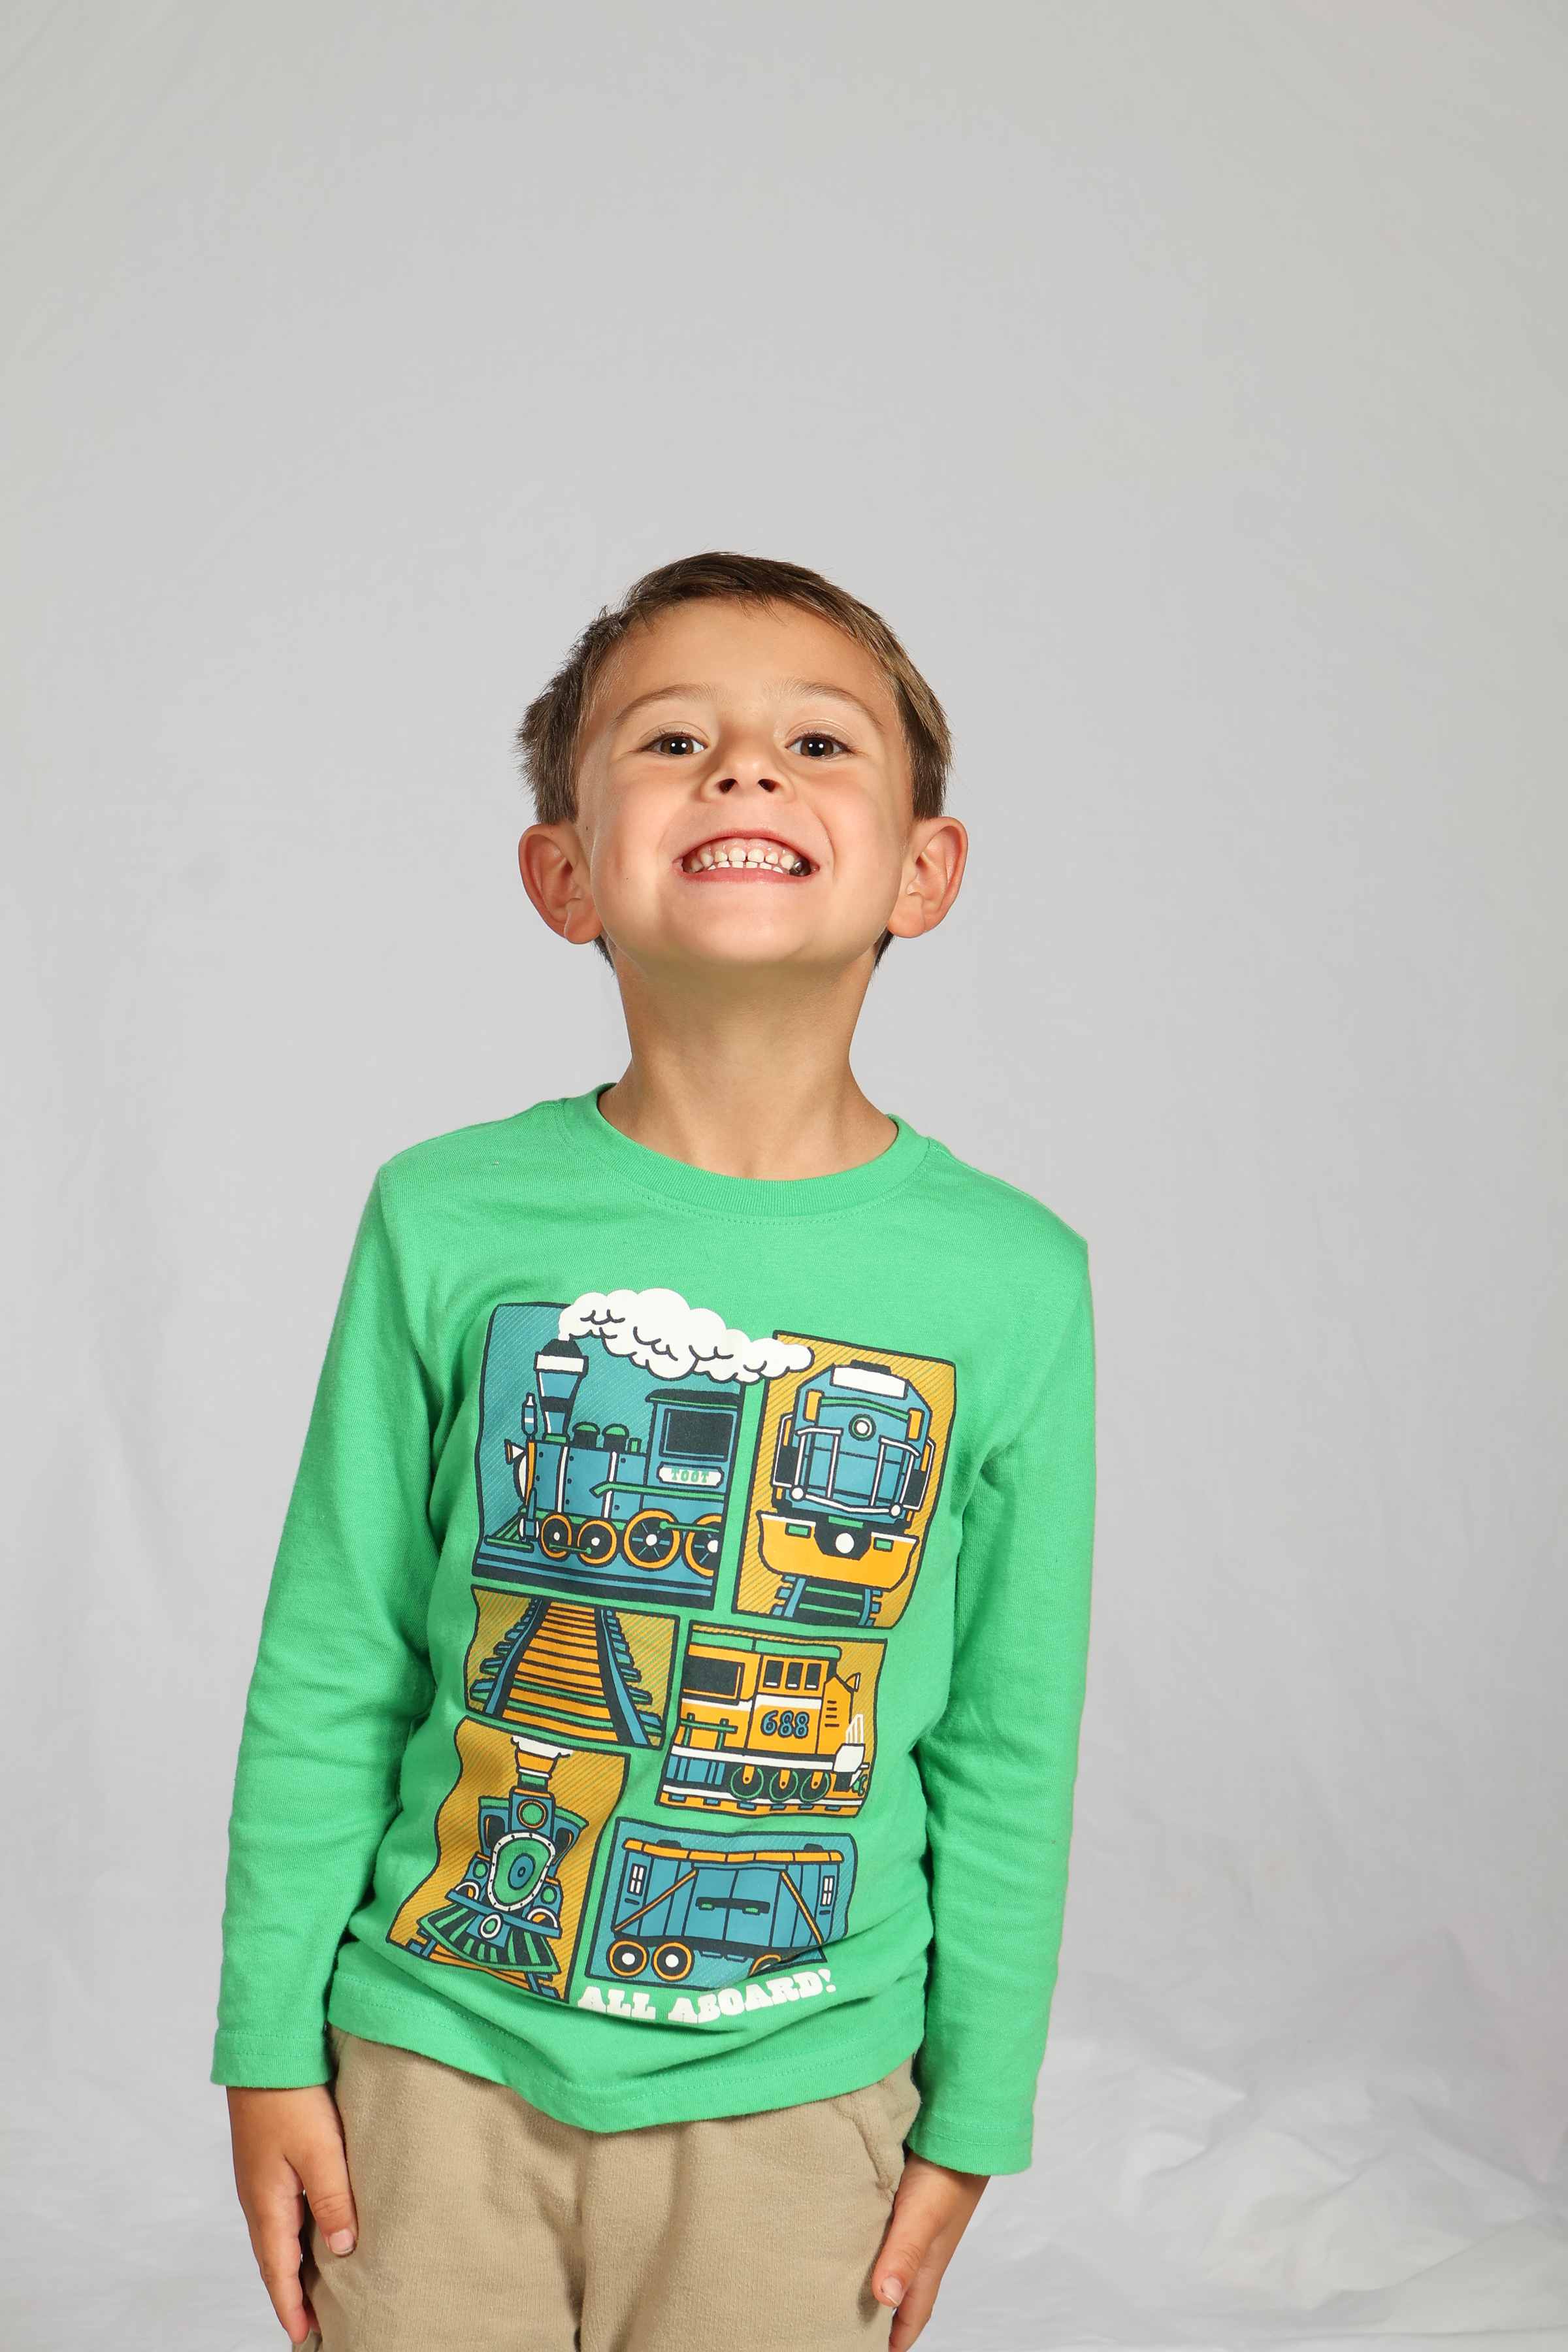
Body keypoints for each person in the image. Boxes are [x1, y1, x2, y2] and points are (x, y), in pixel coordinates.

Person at [217, 551, 1096, 2351]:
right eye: (675, 740)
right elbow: (335, 1655)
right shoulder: (446, 1215)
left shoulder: (1016, 1278)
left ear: (924, 871)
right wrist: (266, 2046)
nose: (745, 769)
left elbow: (1012, 1739)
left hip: (803, 2094)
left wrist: (978, 2110)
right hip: (431, 2067)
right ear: (564, 874)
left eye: (817, 744)